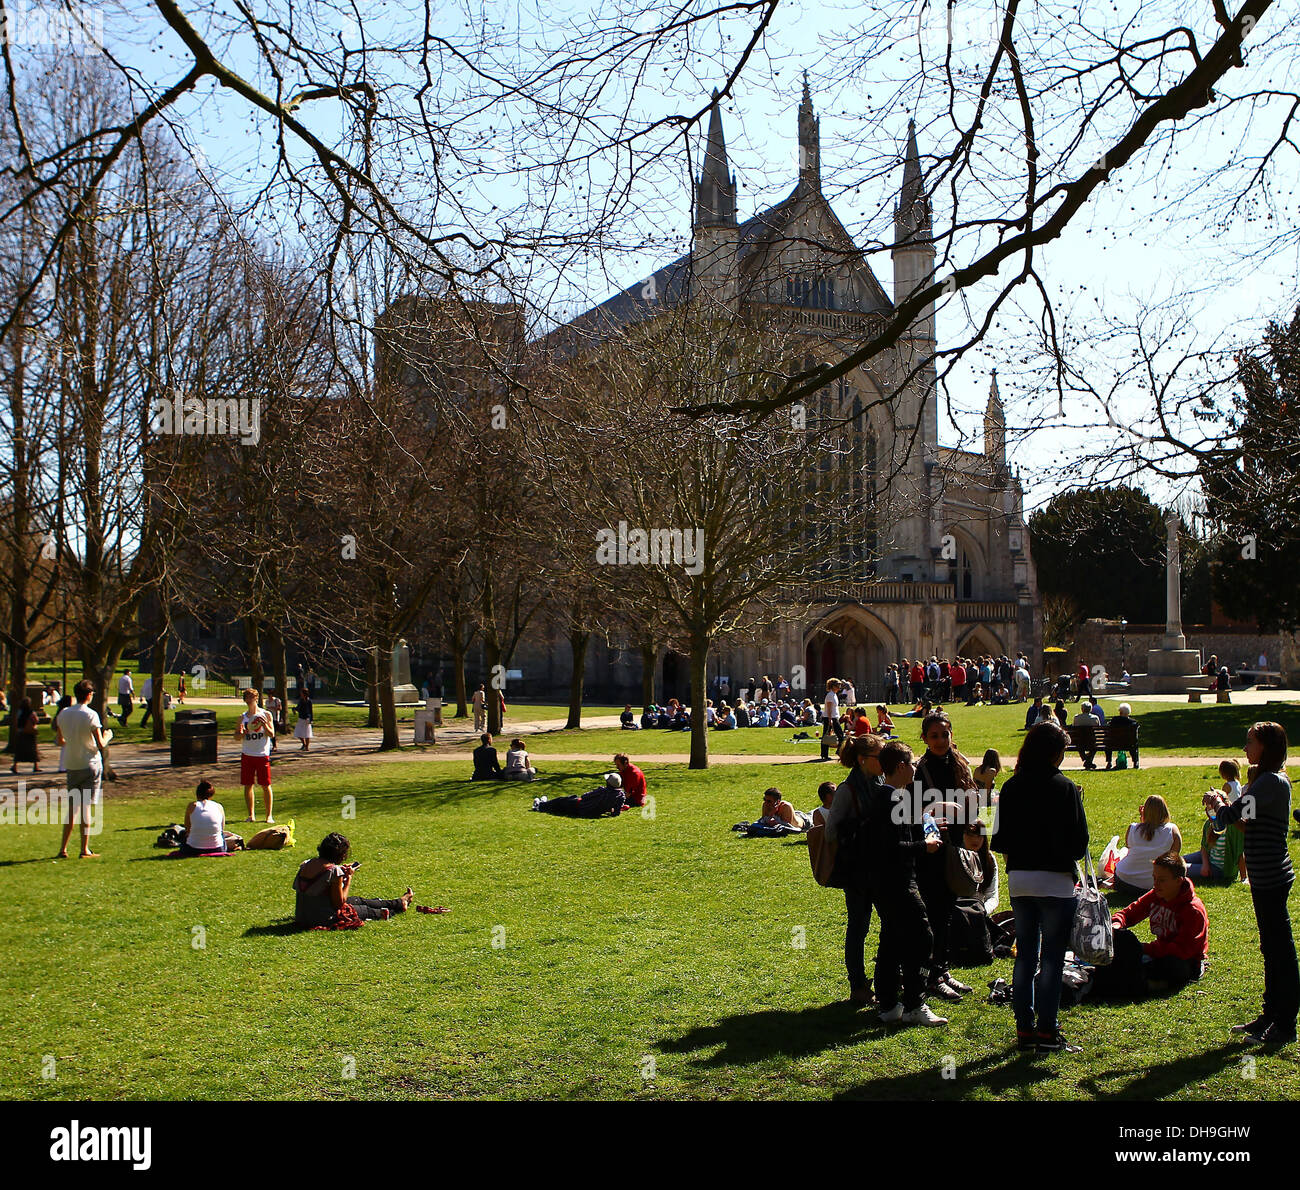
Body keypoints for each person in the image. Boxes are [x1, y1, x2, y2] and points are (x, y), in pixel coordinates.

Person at [991, 721, 1090, 1053]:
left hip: (1021, 879)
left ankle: (1024, 1029)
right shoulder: (1065, 788)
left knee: (1024, 959)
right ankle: (1047, 1029)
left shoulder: (1011, 787)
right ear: (1055, 753)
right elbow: (1080, 845)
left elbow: (1000, 839)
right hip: (1056, 881)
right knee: (1051, 960)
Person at [1206, 722, 1297, 1045]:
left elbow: (1230, 818)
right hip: (1264, 875)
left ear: (1266, 747)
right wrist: (1223, 808)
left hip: (1271, 875)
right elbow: (1246, 824)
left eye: (1250, 742)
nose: (1245, 748)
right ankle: (1270, 1015)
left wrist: (1218, 803)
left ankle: (1285, 1024)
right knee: (1271, 948)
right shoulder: (1267, 783)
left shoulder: (1271, 782)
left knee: (1280, 951)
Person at [868, 741, 947, 1027]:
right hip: (897, 881)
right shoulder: (889, 800)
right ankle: (915, 1001)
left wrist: (928, 825)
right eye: (911, 763)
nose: (915, 768)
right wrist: (923, 845)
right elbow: (891, 847)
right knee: (922, 936)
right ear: (900, 767)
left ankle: (889, 1004)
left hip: (885, 882)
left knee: (891, 940)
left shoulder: (889, 797)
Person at [913, 710, 979, 1001]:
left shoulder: (958, 762)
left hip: (954, 844)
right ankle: (931, 974)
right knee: (935, 913)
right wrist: (941, 810)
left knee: (948, 910)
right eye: (934, 736)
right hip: (932, 848)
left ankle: (942, 969)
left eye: (945, 734)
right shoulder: (922, 769)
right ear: (925, 739)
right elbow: (912, 811)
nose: (941, 740)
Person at [1093, 852, 1209, 997]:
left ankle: (1146, 984)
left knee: (1172, 966)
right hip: (1159, 952)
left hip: (1185, 960)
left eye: (1161, 880)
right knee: (1122, 946)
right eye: (1154, 878)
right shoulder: (1157, 894)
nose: (1155, 884)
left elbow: (1183, 950)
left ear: (1178, 881)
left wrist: (1144, 949)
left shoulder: (1192, 910)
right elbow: (1129, 913)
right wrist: (1116, 924)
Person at [826, 734, 885, 1005]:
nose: (885, 761)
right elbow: (830, 833)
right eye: (880, 756)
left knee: (891, 924)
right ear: (863, 760)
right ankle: (858, 985)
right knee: (859, 928)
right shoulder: (847, 790)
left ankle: (887, 979)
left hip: (883, 867)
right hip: (858, 872)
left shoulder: (881, 782)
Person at [293, 832, 413, 926]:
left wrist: (341, 872)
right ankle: (396, 908)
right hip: (322, 918)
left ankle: (399, 902)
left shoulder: (306, 864)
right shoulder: (333, 871)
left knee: (357, 900)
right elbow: (339, 904)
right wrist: (349, 877)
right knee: (365, 910)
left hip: (302, 915)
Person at [54, 680, 112, 859]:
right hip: (90, 763)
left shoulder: (63, 713)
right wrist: (108, 736)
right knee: (85, 806)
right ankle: (84, 849)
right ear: (88, 695)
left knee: (72, 807)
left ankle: (63, 848)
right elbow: (100, 744)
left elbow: (60, 741)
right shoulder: (91, 715)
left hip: (72, 763)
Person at [1114, 796, 1182, 899]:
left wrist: (1143, 820)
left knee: (1125, 852)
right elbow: (1174, 856)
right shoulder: (1172, 830)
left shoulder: (1132, 828)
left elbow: (1132, 847)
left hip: (1124, 880)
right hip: (1154, 884)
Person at [1183, 789, 1246, 884]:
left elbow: (1240, 853)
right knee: (1176, 861)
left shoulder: (1234, 828)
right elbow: (1204, 847)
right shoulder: (1209, 824)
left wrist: (1244, 878)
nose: (1209, 812)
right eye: (1208, 809)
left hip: (1220, 869)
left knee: (1177, 869)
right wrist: (1205, 865)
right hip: (1208, 859)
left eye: (1211, 808)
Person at [235, 688, 275, 823]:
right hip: (248, 754)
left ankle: (269, 815)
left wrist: (265, 725)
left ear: (256, 698)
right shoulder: (242, 717)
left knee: (265, 785)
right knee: (248, 785)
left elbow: (272, 734)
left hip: (262, 754)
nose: (249, 700)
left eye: (251, 697)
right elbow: (236, 737)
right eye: (247, 698)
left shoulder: (266, 714)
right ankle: (251, 814)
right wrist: (242, 733)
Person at [177, 780, 235, 858]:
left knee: (182, 833)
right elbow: (221, 828)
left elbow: (188, 828)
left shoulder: (192, 806)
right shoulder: (218, 806)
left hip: (194, 848)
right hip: (218, 848)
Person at [532, 772, 627, 817]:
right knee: (562, 805)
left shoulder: (602, 791)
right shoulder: (620, 796)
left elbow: (585, 796)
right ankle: (543, 804)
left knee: (560, 801)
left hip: (581, 807)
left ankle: (540, 806)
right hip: (593, 813)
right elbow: (616, 813)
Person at [1104, 702, 1141, 769]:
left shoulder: (1114, 720)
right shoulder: (1133, 722)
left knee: (1107, 742)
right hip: (1128, 743)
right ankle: (1135, 762)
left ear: (1120, 712)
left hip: (1114, 743)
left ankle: (1109, 762)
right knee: (1133, 745)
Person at [9, 696, 40, 774]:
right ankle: (35, 766)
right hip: (30, 733)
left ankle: (15, 766)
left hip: (21, 732)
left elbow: (16, 721)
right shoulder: (31, 712)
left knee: (19, 750)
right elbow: (36, 720)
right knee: (33, 750)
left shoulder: (19, 712)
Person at [1071, 701, 1102, 770]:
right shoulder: (1095, 718)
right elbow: (1099, 729)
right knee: (1095, 746)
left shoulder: (1077, 718)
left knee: (1079, 742)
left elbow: (1073, 727)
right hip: (1091, 742)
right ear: (1090, 709)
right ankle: (1088, 760)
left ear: (1082, 709)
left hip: (1079, 742)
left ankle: (1085, 758)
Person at [819, 678, 844, 761]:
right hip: (830, 717)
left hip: (834, 717)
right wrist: (830, 720)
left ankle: (826, 753)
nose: (839, 687)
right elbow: (829, 709)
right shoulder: (830, 695)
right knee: (829, 735)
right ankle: (825, 753)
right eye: (838, 685)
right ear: (833, 686)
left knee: (836, 735)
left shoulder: (834, 694)